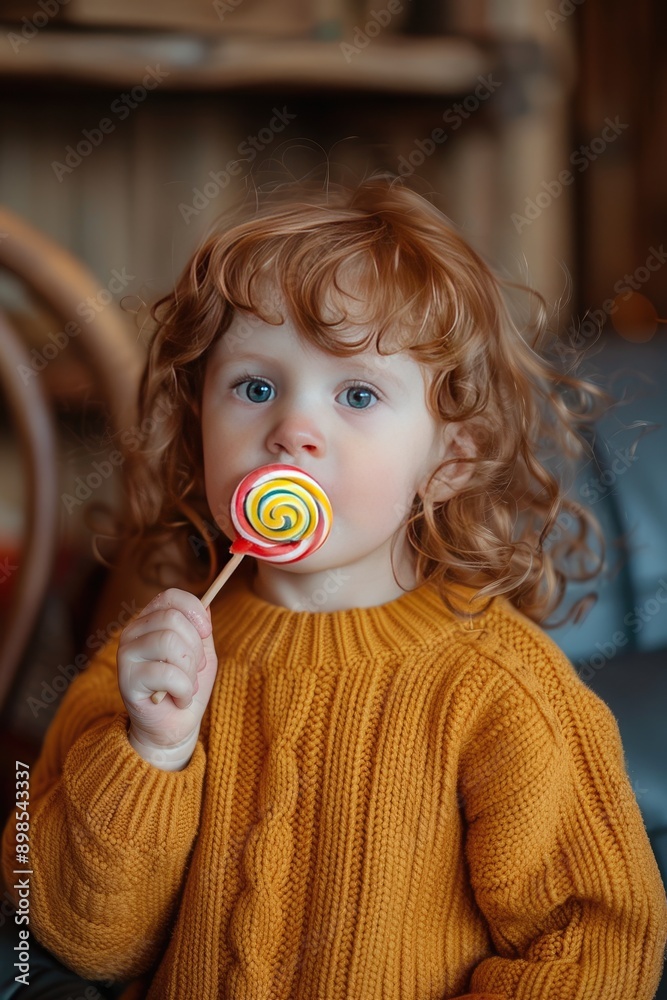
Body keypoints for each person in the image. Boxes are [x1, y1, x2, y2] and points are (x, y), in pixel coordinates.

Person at [2, 174, 666, 1000]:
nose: (292, 429)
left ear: (449, 459)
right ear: (198, 416)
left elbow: (590, 952)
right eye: (253, 386)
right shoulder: (147, 669)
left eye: (356, 393)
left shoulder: (502, 692)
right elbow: (77, 938)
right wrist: (152, 749)